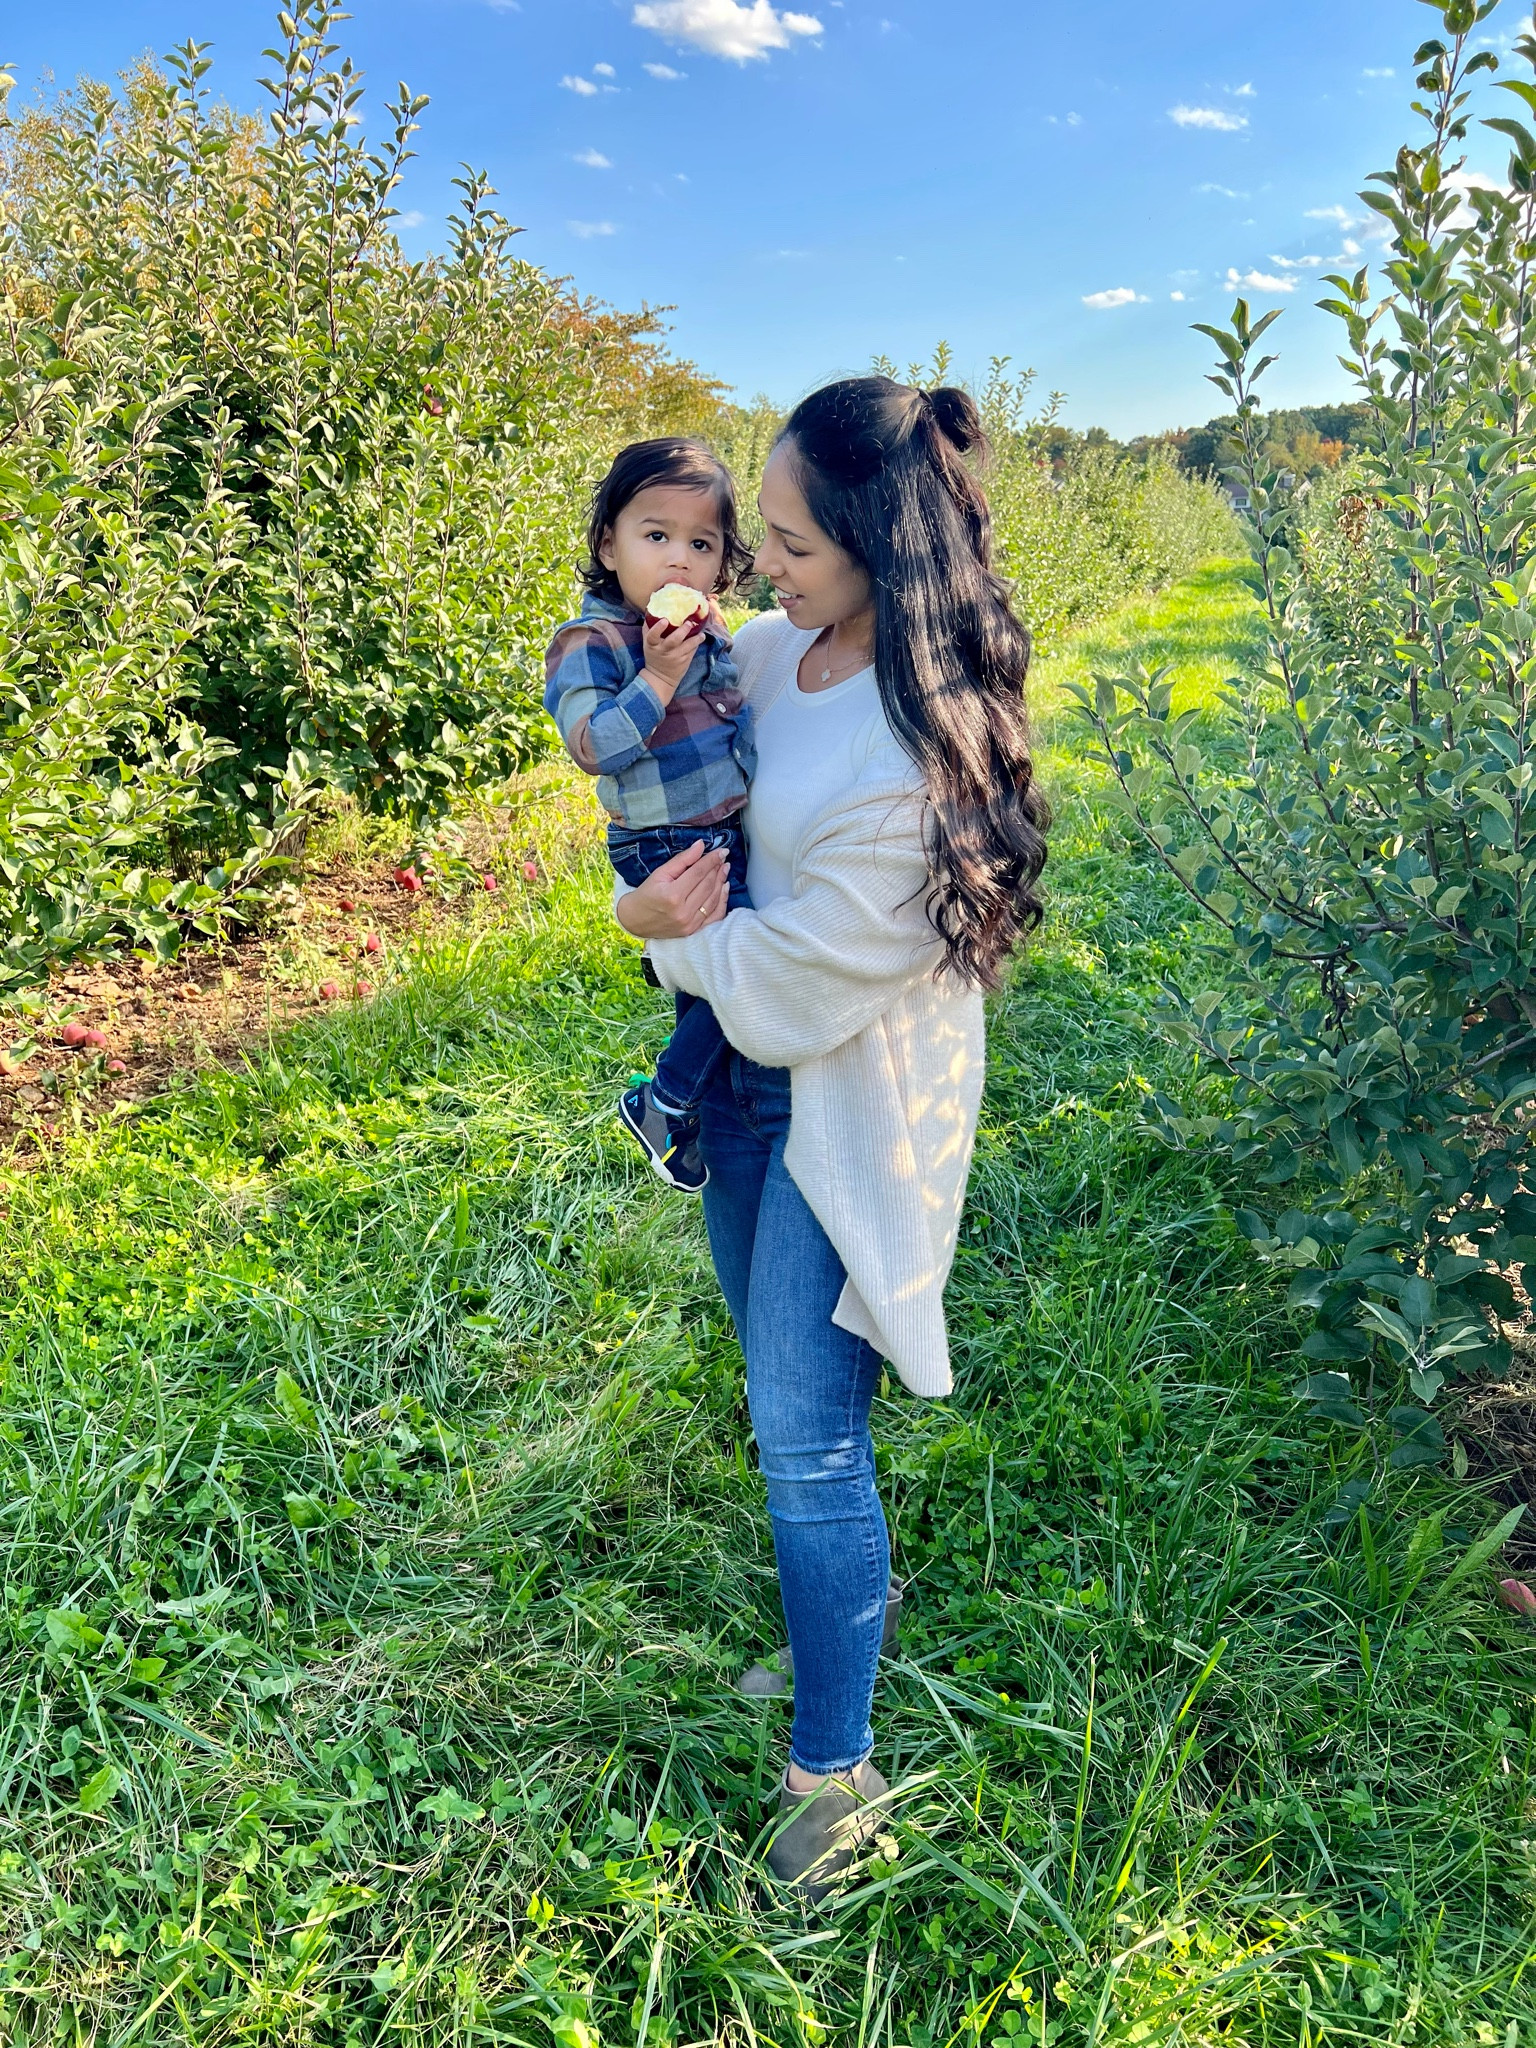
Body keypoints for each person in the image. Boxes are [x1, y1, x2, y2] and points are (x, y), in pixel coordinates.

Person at [613, 376, 1050, 1901]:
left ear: (876, 540)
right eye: (758, 541)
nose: (756, 570)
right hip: (735, 1078)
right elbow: (654, 776)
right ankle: (828, 1634)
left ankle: (836, 1764)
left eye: (788, 543)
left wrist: (656, 938)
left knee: (809, 1438)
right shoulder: (761, 653)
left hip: (841, 1094)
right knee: (772, 1382)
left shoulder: (918, 743)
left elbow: (793, 988)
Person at [544, 437, 756, 1193]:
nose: (679, 561)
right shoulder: (592, 641)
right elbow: (593, 745)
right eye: (656, 535)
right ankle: (664, 1100)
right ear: (609, 544)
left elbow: (734, 719)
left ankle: (691, 1113)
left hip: (716, 831)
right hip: (663, 839)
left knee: (712, 985)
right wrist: (659, 677)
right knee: (746, 972)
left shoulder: (709, 626)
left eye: (701, 544)